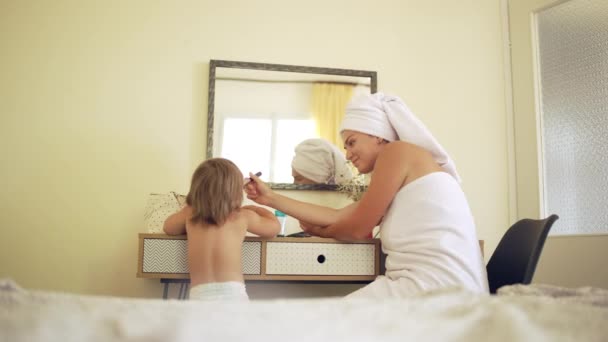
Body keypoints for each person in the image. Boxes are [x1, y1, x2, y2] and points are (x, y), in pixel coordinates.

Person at [245, 92, 488, 298]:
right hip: (433, 285)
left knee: (323, 322)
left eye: (351, 143)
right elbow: (338, 215)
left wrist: (320, 232)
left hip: (436, 289)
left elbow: (355, 230)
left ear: (378, 135)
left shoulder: (397, 153)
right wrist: (270, 198)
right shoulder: (403, 166)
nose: (348, 155)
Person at [164, 158, 280, 301]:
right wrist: (256, 208)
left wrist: (190, 208)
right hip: (233, 295)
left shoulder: (190, 213)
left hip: (199, 296)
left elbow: (168, 228)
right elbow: (274, 228)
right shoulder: (243, 216)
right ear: (236, 191)